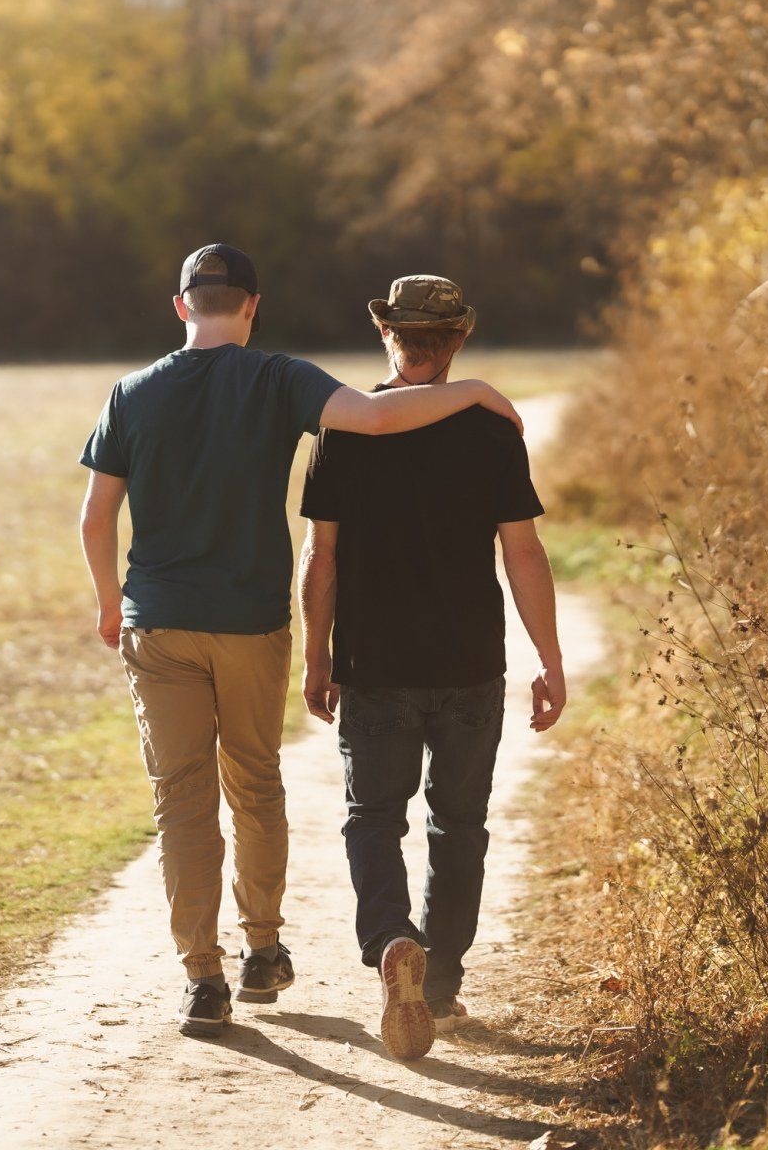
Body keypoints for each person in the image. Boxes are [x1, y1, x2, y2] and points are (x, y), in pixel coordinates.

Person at [77, 245, 524, 1038]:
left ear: (180, 306)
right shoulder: (278, 379)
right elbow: (379, 415)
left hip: (158, 622)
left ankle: (202, 978)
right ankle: (262, 951)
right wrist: (479, 392)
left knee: (180, 800)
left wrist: (112, 604)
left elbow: (95, 516)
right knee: (254, 783)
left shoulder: (131, 392)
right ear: (252, 306)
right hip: (250, 624)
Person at [296, 275, 565, 1061]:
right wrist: (549, 659)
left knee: (375, 816)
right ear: (458, 340)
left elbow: (320, 557)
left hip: (375, 664)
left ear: (388, 334)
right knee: (459, 823)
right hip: (469, 663)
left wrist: (317, 655)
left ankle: (391, 938)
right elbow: (523, 551)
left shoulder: (345, 430)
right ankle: (439, 984)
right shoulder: (491, 430)